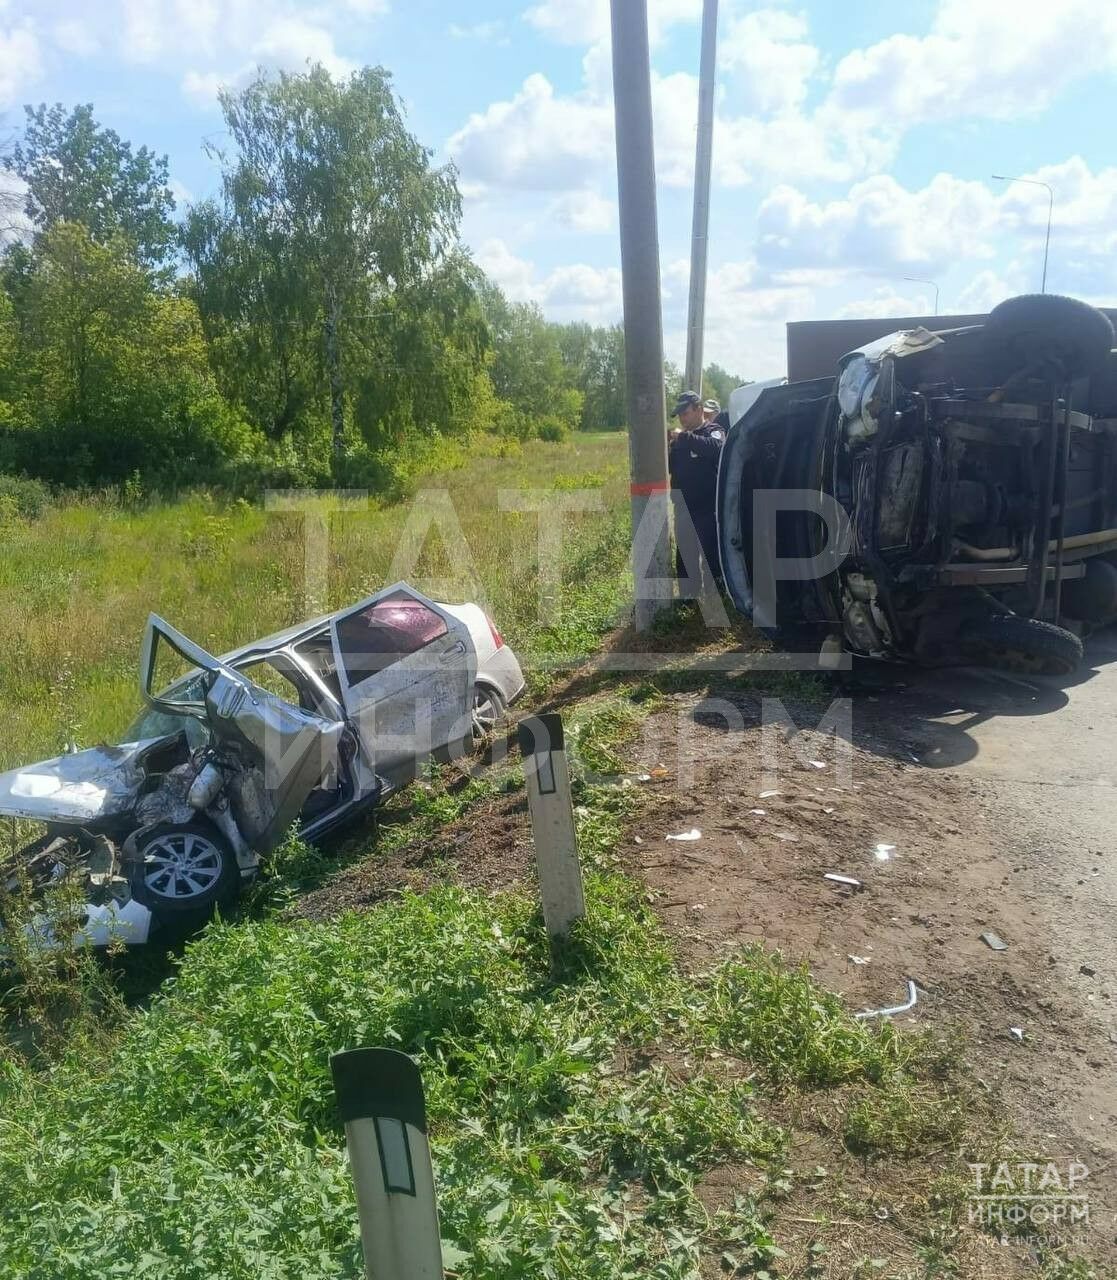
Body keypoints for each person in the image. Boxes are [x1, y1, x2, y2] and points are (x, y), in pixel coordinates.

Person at [667, 389, 725, 590]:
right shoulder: (680, 439)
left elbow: (717, 449)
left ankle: (715, 596)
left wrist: (684, 438)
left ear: (699, 409)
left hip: (707, 508)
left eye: (685, 413)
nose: (682, 418)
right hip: (683, 506)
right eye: (680, 415)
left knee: (711, 553)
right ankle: (688, 598)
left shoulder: (713, 430)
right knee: (685, 554)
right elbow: (670, 467)